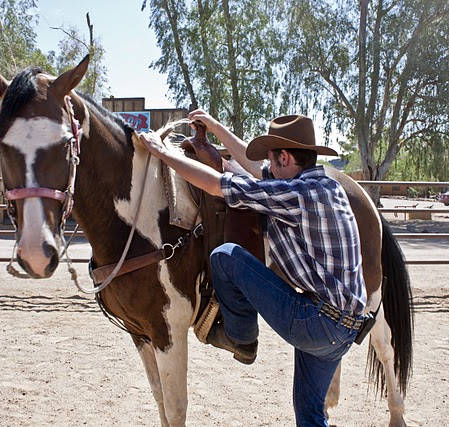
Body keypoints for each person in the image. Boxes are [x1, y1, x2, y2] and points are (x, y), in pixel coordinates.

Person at [138, 110, 366, 427]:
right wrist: (215, 127)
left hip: (317, 322)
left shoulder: (298, 195)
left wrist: (162, 152)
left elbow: (221, 186)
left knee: (226, 255)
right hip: (345, 328)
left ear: (285, 157)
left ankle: (241, 339)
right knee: (310, 415)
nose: (267, 169)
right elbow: (251, 167)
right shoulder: (325, 185)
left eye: (272, 161)